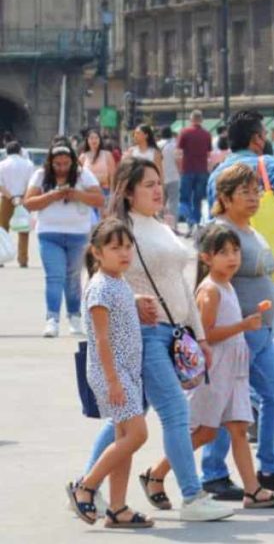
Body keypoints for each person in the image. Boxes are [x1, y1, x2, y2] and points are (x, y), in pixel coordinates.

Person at [84, 158, 232, 522]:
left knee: (129, 418)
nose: (156, 189)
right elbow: (97, 283)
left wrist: (199, 335)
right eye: (147, 184)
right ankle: (193, 497)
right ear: (128, 191)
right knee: (174, 413)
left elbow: (182, 283)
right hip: (146, 336)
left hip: (173, 332)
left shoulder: (162, 226)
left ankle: (86, 485)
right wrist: (132, 303)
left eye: (158, 183)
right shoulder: (121, 230)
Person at [143, 224, 274, 510]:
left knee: (238, 428)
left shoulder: (227, 285)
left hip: (234, 371)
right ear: (206, 258)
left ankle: (253, 490)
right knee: (205, 432)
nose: (232, 257)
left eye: (235, 251)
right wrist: (244, 325)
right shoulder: (210, 290)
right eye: (223, 252)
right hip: (215, 370)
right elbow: (205, 334)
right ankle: (155, 474)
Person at [201, 163, 274, 498]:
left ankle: (273, 468)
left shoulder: (250, 229)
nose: (253, 198)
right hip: (237, 332)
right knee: (226, 402)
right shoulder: (220, 231)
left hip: (260, 331)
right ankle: (214, 474)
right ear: (224, 197)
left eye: (256, 191)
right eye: (244, 192)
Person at [67, 219, 153, 529]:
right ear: (97, 253)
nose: (124, 253)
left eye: (128, 246)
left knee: (124, 438)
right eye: (115, 247)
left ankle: (118, 508)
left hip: (126, 372)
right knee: (138, 435)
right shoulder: (101, 286)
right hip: (112, 374)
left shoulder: (118, 282)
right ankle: (86, 486)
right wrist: (114, 381)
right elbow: (100, 339)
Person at [23, 140, 105, 337]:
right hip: (49, 234)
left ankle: (74, 316)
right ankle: (52, 319)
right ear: (50, 162)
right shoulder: (41, 175)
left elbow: (99, 199)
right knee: (55, 276)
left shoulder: (83, 174)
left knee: (73, 278)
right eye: (57, 164)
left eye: (66, 164)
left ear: (72, 162)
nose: (61, 168)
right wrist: (53, 196)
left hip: (78, 235)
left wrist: (76, 194)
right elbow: (29, 203)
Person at [0, 140, 35, 268]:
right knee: (24, 228)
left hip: (6, 198)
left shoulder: (2, 164)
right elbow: (31, 184)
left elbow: (0, 185)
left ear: (7, 151)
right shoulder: (28, 164)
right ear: (20, 151)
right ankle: (23, 259)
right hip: (23, 198)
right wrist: (21, 198)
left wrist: (11, 197)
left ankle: (1, 258)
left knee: (2, 228)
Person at [177, 110, 212, 234]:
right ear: (201, 120)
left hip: (187, 169)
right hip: (202, 170)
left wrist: (179, 168)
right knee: (197, 200)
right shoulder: (207, 134)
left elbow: (179, 153)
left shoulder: (184, 133)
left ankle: (189, 222)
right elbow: (209, 154)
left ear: (191, 120)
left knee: (185, 198)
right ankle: (196, 222)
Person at [79, 128, 116, 197]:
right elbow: (79, 177)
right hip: (88, 193)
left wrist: (112, 194)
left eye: (96, 138)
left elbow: (112, 176)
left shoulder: (107, 155)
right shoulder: (83, 157)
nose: (94, 140)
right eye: (91, 138)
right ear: (87, 140)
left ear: (100, 140)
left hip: (105, 192)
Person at [158, 127, 181, 230]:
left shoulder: (157, 145)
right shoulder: (174, 145)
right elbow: (178, 160)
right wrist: (180, 172)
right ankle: (172, 226)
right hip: (173, 177)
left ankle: (159, 225)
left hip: (160, 179)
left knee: (159, 203)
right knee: (173, 202)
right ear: (171, 134)